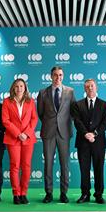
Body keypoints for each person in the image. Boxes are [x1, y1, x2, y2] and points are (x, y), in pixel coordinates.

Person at [37, 66, 76, 203]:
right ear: (51, 76)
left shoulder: (70, 92)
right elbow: (41, 113)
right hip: (48, 132)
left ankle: (63, 193)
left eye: (60, 75)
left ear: (63, 76)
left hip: (64, 132)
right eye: (55, 75)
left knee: (64, 164)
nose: (57, 77)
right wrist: (50, 123)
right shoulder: (43, 93)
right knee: (48, 164)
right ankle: (48, 193)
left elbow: (73, 112)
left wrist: (62, 123)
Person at [72, 79, 106, 204]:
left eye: (92, 86)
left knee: (99, 169)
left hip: (98, 142)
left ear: (96, 87)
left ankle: (99, 195)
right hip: (83, 142)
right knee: (84, 169)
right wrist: (86, 134)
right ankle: (85, 194)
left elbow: (105, 123)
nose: (90, 88)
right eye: (87, 86)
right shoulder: (78, 104)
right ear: (84, 89)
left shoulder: (104, 104)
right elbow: (77, 121)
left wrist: (94, 133)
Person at [2, 78, 38, 205]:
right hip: (13, 138)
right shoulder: (7, 101)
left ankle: (24, 193)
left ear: (25, 88)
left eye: (21, 86)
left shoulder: (31, 101)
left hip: (28, 138)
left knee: (26, 166)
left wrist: (26, 133)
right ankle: (16, 194)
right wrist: (18, 134)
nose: (19, 88)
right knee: (15, 166)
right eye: (16, 86)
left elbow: (34, 119)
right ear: (13, 88)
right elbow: (5, 120)